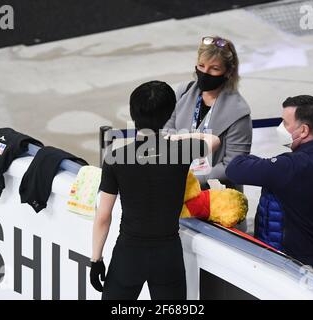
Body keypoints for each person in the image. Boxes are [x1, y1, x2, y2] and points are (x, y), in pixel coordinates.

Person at [90, 80, 220, 300]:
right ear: (170, 113)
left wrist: (96, 259)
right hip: (168, 253)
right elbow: (213, 140)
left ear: (132, 113)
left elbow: (103, 216)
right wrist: (173, 138)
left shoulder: (115, 157)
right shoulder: (181, 151)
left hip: (129, 253)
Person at [225, 95, 313, 284]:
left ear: (303, 130)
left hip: (293, 268)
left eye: (285, 122)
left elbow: (235, 169)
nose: (280, 128)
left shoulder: (289, 166)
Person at [163, 36, 252, 192]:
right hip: (176, 186)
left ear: (228, 71)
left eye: (214, 68)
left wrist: (191, 179)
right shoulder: (183, 91)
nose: (205, 72)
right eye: (201, 66)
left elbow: (232, 165)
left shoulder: (239, 112)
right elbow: (166, 130)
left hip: (216, 196)